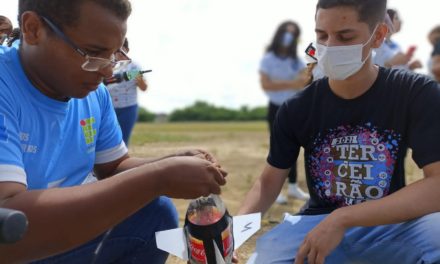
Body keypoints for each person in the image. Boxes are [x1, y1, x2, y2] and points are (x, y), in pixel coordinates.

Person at [0, 1, 228, 263]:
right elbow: (7, 222)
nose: (108, 71)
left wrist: (171, 161)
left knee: (154, 212)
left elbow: (113, 166)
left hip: (58, 235)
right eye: (92, 53)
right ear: (33, 29)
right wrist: (157, 177)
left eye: (113, 55)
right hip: (17, 249)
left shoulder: (94, 94)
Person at [239, 0, 440, 263]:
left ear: (378, 36)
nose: (330, 47)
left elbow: (437, 184)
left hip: (386, 221)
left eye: (345, 37)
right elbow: (268, 183)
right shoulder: (297, 108)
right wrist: (233, 233)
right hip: (315, 224)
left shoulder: (415, 93)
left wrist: (344, 217)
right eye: (322, 35)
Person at [259, 20, 311, 204]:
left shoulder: (296, 60)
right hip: (275, 107)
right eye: (286, 32)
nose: (289, 37)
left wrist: (309, 71)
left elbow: (304, 80)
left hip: (293, 106)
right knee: (278, 149)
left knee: (294, 147)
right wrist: (291, 83)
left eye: (293, 33)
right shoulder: (268, 59)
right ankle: (276, 191)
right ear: (279, 34)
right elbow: (266, 84)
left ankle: (293, 186)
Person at [105, 38, 147, 146]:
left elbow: (144, 88)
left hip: (128, 108)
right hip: (110, 107)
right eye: (115, 50)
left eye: (121, 50)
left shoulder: (134, 66)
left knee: (123, 140)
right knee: (107, 139)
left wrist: (140, 79)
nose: (117, 54)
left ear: (127, 50)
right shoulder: (107, 64)